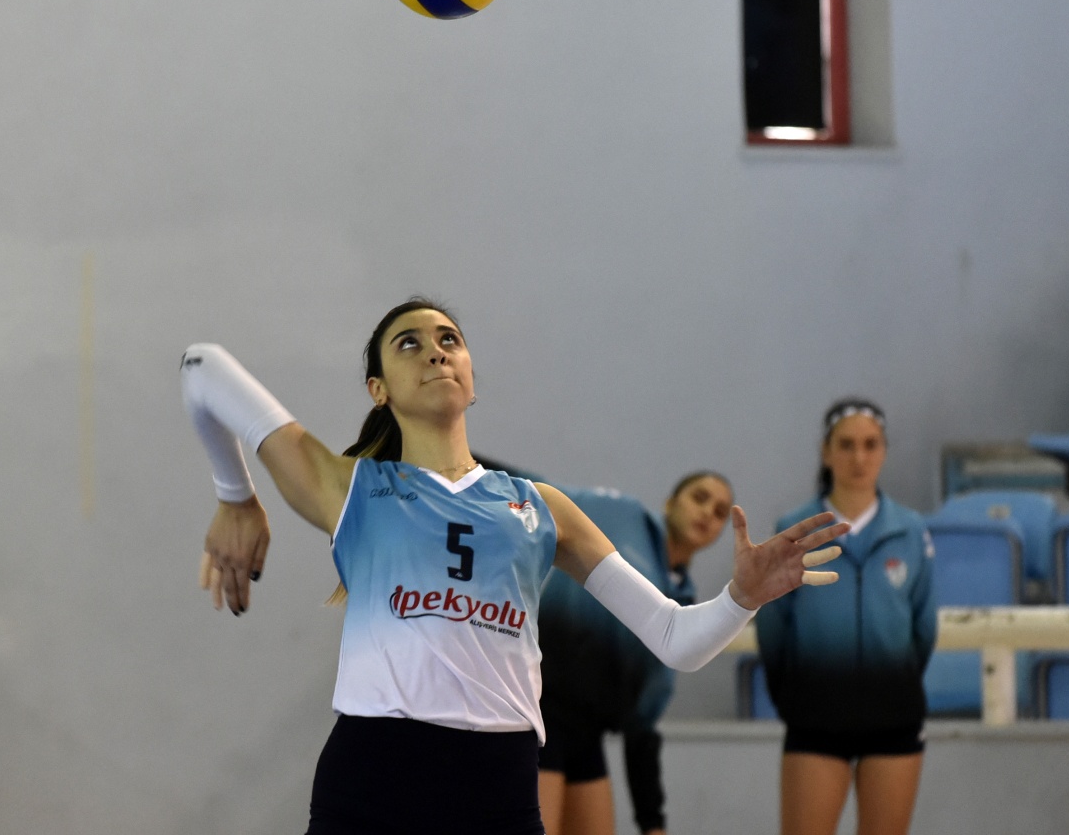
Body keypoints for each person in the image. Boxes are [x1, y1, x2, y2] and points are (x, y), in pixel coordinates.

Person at [182, 297, 848, 835]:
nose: (435, 350)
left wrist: (741, 597)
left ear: (471, 379)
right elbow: (201, 365)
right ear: (377, 389)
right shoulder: (353, 488)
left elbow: (677, 640)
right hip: (374, 778)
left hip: (497, 790)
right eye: (409, 343)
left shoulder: (542, 508)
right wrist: (234, 496)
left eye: (449, 339)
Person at [755, 398, 936, 835]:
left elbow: (924, 628)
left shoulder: (911, 531)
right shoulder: (794, 530)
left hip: (893, 718)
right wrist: (798, 697)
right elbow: (773, 629)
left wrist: (892, 680)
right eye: (847, 445)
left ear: (884, 451)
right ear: (826, 451)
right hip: (815, 719)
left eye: (871, 445)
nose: (859, 458)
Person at [537, 472, 736, 835]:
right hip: (536, 715)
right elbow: (531, 490)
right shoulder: (617, 512)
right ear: (670, 503)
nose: (708, 512)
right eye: (699, 497)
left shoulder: (684, 607)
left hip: (588, 738)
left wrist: (652, 822)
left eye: (721, 512)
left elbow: (642, 724)